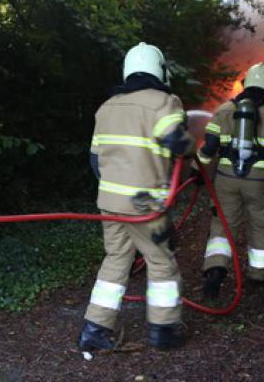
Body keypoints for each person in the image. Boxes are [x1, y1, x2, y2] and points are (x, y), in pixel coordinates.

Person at [79, 42, 196, 352]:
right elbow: (179, 145)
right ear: (159, 70)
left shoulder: (107, 107)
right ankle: (163, 331)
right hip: (146, 206)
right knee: (161, 262)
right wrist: (192, 148)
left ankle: (94, 330)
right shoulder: (164, 103)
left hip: (110, 204)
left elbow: (95, 160)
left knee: (116, 259)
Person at [196, 62, 264, 298]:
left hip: (226, 179)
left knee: (222, 225)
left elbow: (209, 147)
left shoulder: (225, 110)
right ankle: (258, 275)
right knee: (260, 225)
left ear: (244, 85)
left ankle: (215, 270)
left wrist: (198, 171)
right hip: (259, 182)